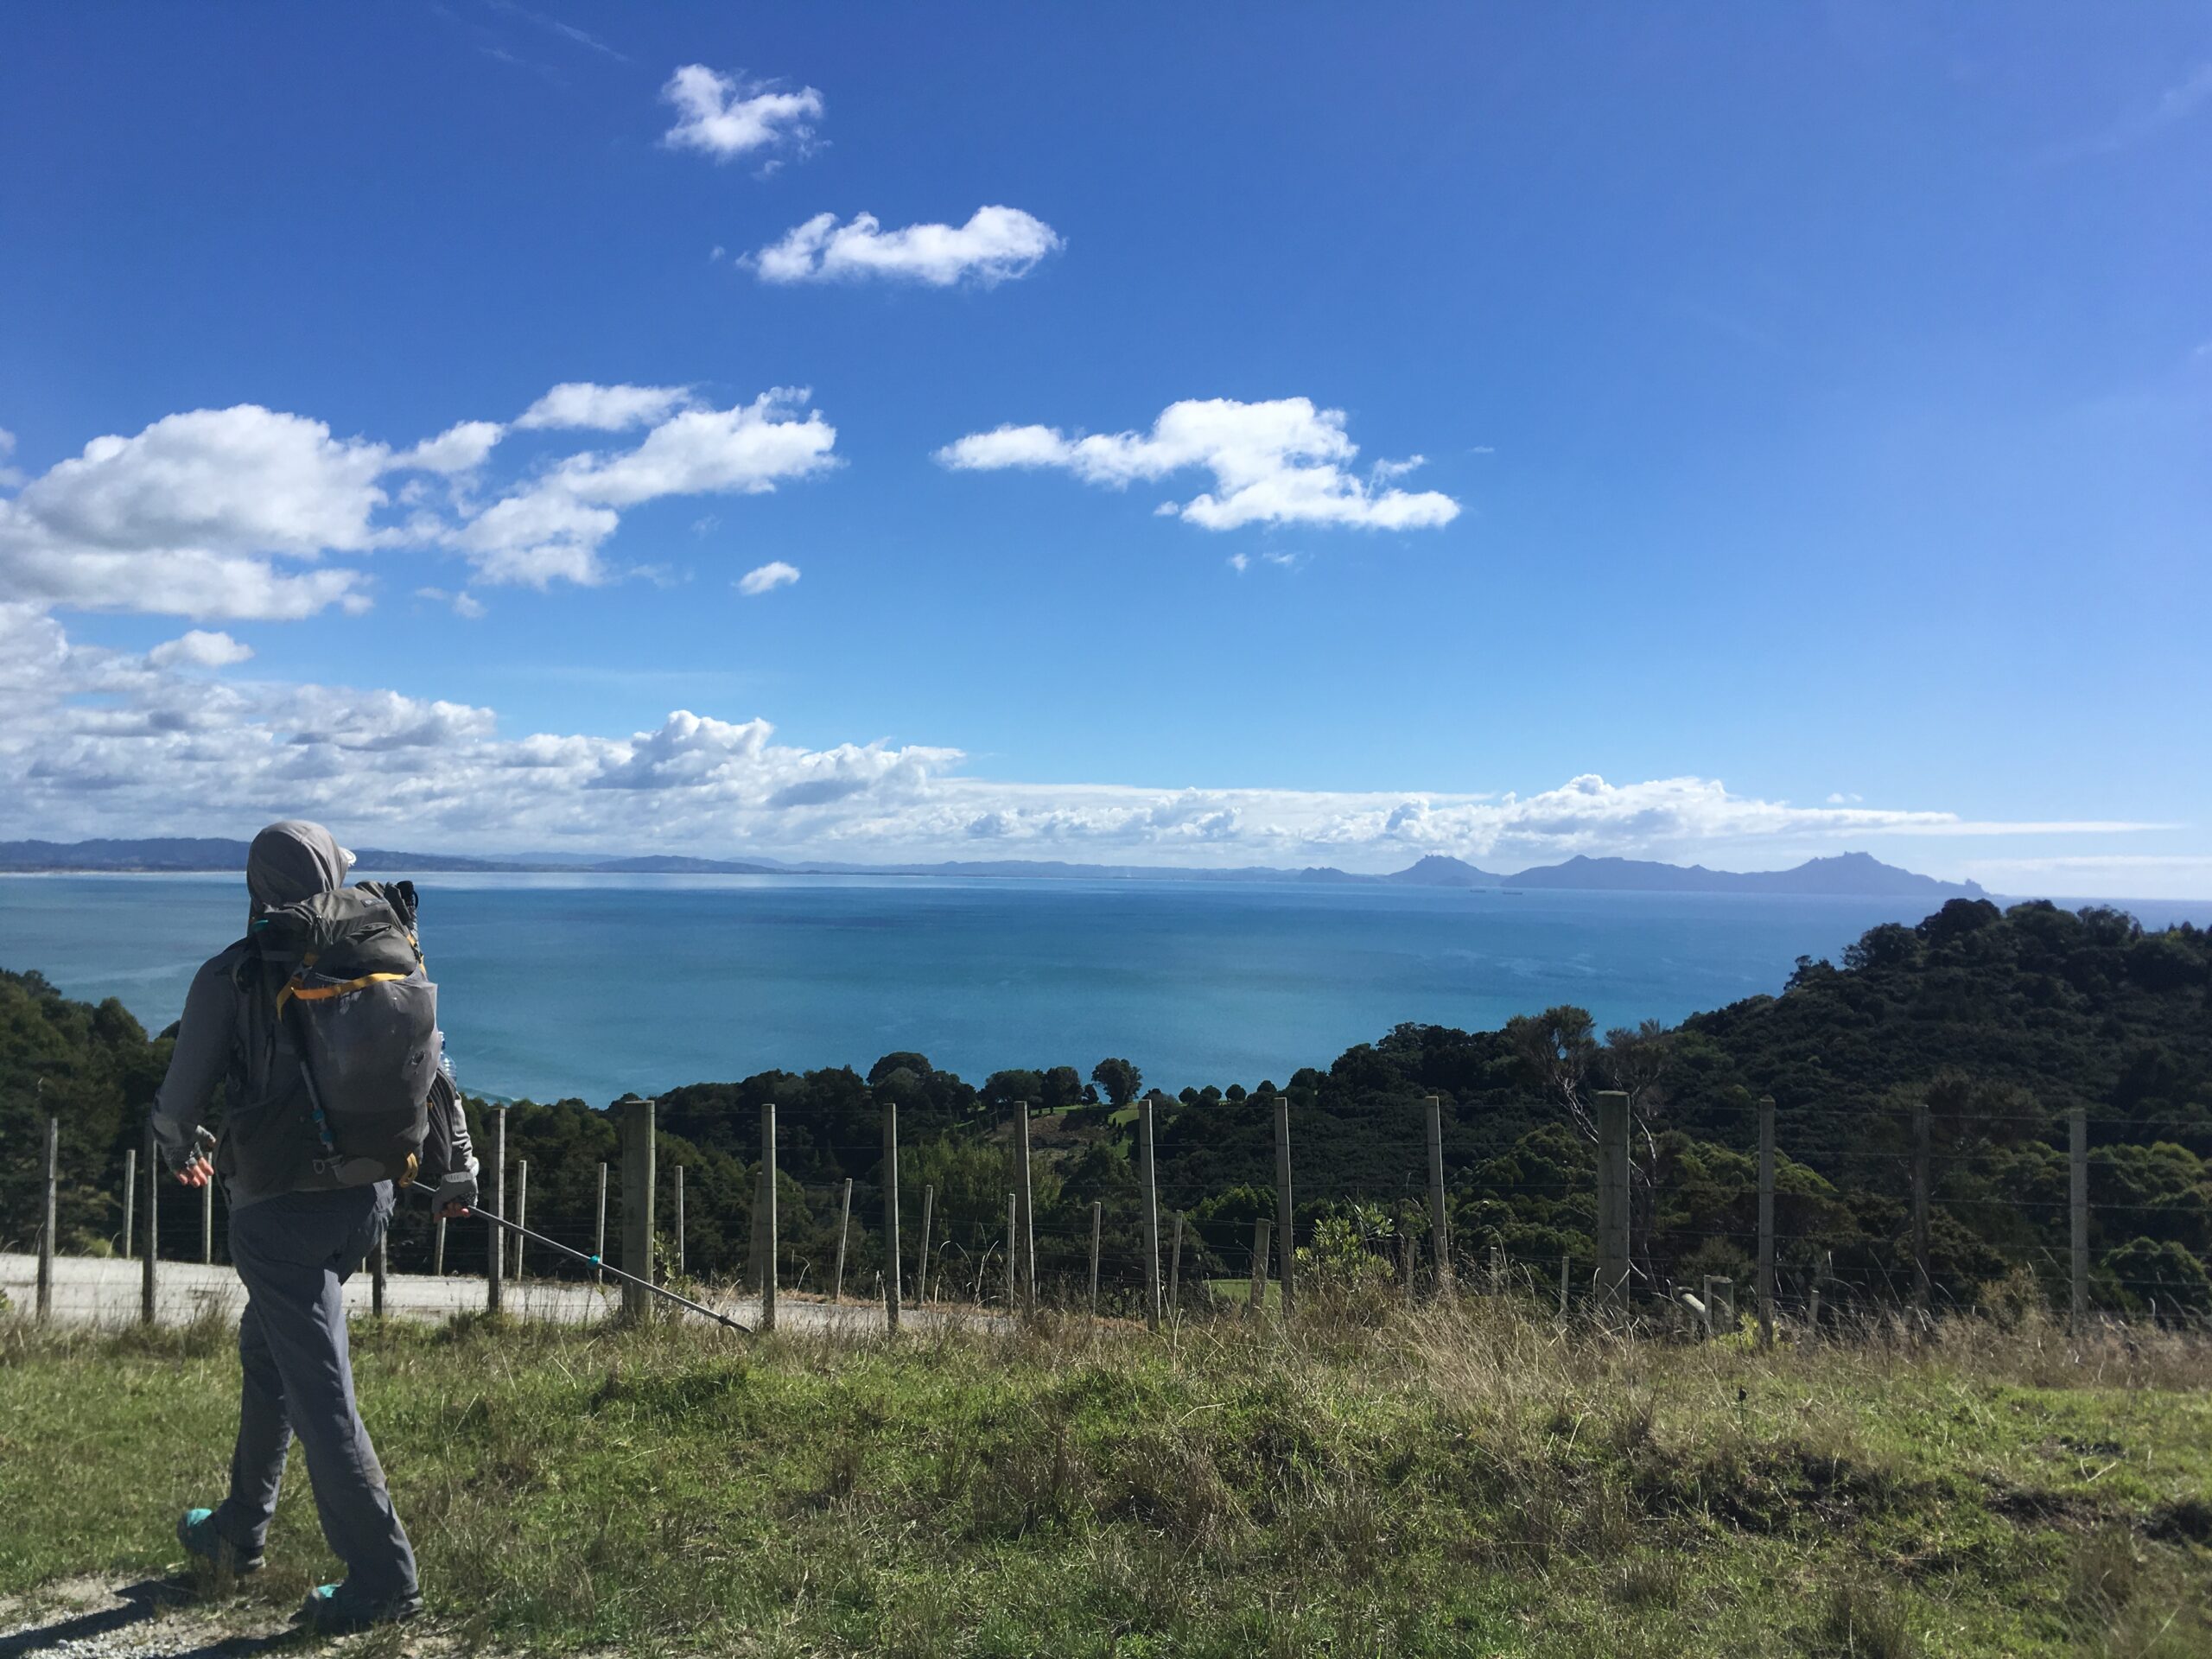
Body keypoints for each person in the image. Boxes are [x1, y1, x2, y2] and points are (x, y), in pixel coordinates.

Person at [150, 820, 476, 1634]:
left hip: (276, 1216)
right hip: (369, 1200)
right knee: (272, 1355)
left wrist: (179, 1145)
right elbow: (435, 1069)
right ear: (331, 873)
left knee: (322, 1392)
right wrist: (455, 1169)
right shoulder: (385, 954)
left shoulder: (233, 973)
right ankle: (238, 1531)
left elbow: (178, 1105)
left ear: (257, 885)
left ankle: (384, 1582)